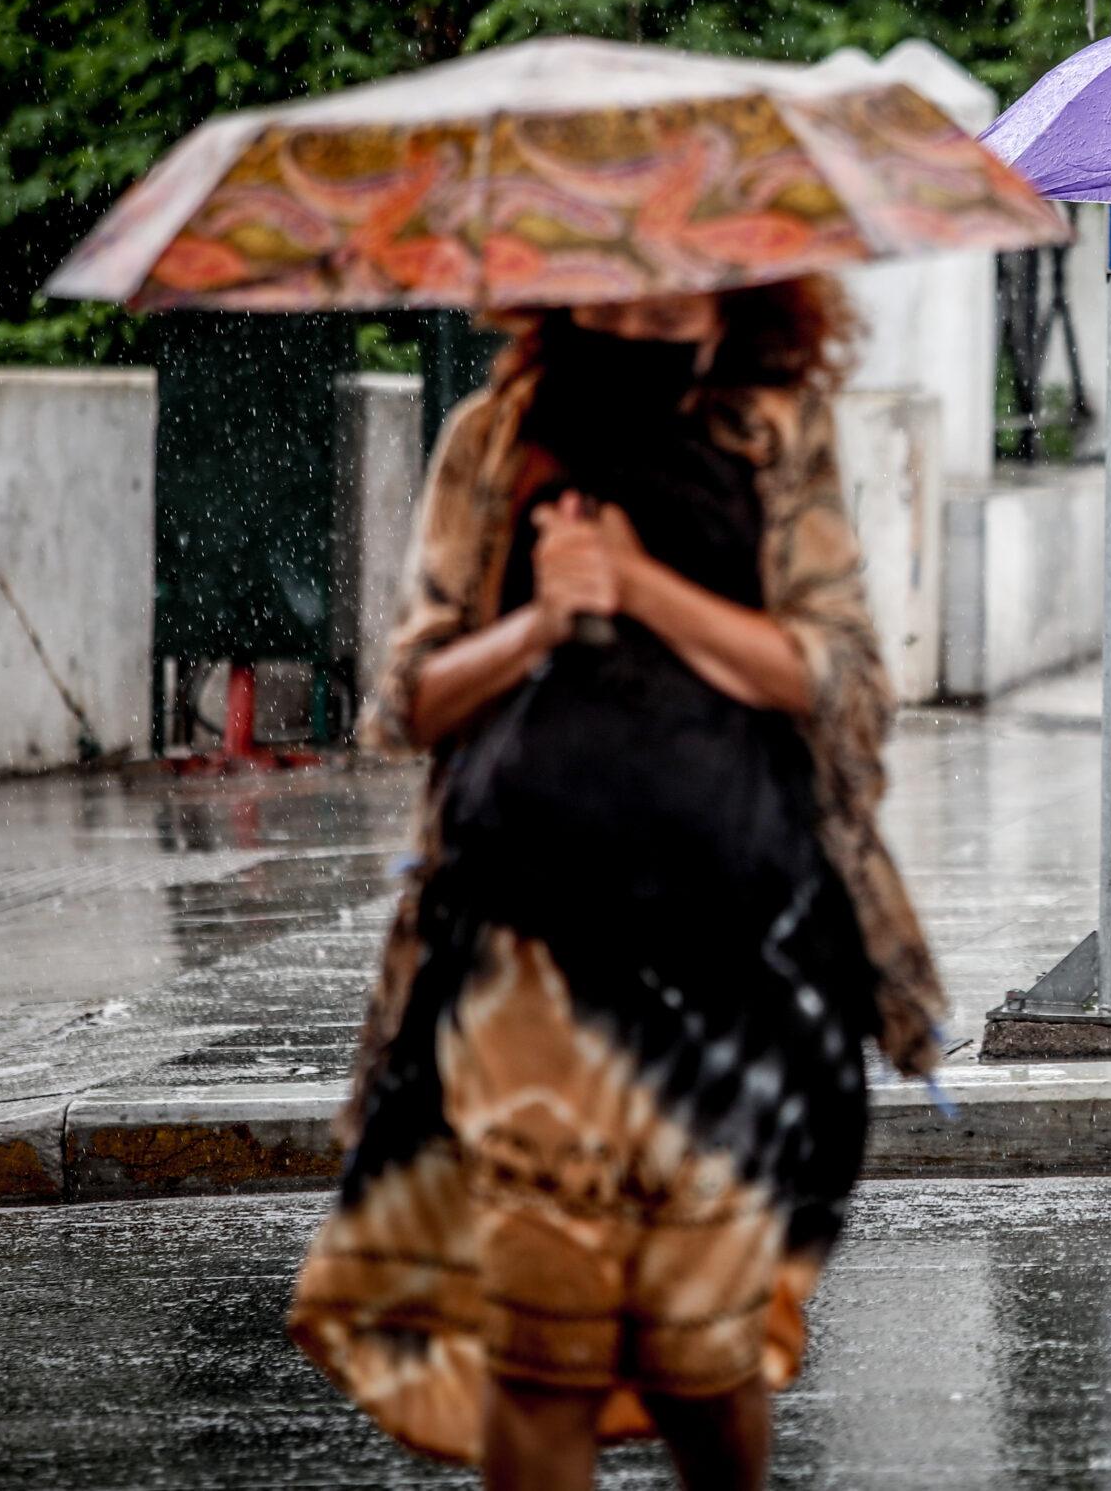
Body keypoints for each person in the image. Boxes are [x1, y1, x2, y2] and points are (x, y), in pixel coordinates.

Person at [287, 283, 946, 1489]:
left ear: (731, 289)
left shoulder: (771, 430)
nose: (643, 321)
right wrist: (543, 617)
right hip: (524, 962)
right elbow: (411, 701)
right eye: (616, 301)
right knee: (541, 1355)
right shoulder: (495, 435)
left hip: (737, 956)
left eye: (673, 301)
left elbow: (839, 679)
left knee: (703, 1359)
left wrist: (643, 589)